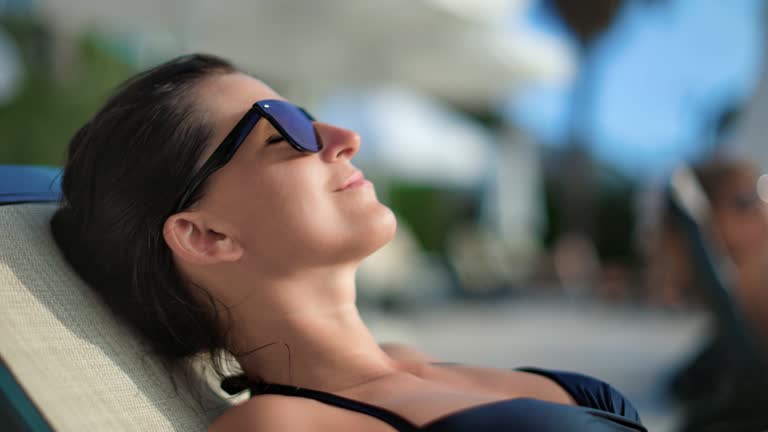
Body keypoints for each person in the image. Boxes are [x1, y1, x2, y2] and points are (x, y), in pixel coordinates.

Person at [50, 54, 645, 432]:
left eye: (312, 117)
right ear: (205, 235)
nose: (345, 137)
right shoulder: (280, 426)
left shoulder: (406, 359)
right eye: (287, 132)